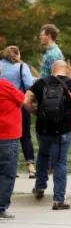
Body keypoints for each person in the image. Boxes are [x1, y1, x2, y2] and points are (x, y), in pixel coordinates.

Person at [24, 60, 71, 210]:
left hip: (43, 128)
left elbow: (26, 101)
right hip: (63, 130)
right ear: (66, 70)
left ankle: (40, 187)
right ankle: (58, 200)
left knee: (43, 155)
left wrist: (35, 112)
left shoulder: (40, 83)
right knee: (60, 162)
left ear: (53, 69)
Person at [0, 46, 35, 178]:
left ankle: (9, 169)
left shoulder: (0, 66)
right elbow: (28, 85)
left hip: (2, 105)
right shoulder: (22, 67)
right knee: (25, 136)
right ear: (18, 55)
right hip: (19, 104)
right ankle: (31, 167)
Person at [0, 77, 26, 219]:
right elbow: (23, 99)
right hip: (6, 136)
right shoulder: (4, 84)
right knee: (7, 173)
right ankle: (1, 207)